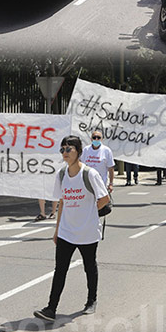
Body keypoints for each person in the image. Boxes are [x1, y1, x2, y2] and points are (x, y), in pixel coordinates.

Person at [34, 136, 109, 321]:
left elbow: (104, 199)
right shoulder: (61, 174)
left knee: (89, 267)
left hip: (87, 232)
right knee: (60, 269)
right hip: (67, 231)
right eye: (62, 150)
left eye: (69, 149)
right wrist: (57, 230)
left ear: (79, 151)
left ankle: (91, 300)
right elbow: (62, 202)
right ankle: (51, 309)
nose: (65, 153)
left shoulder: (90, 174)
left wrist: (89, 213)